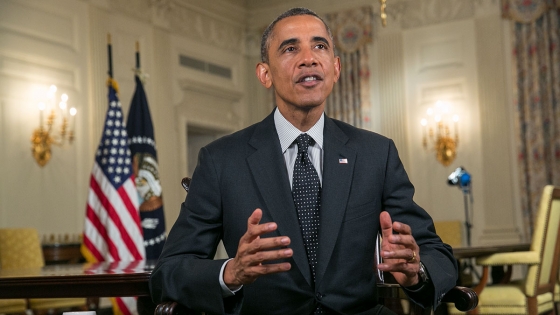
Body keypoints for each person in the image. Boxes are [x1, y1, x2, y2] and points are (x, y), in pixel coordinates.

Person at [150, 7, 457, 315]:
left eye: (320, 46)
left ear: (335, 68)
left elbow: (436, 253)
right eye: (291, 48)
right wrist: (231, 271)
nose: (309, 58)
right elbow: (169, 271)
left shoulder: (376, 153)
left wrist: (416, 272)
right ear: (265, 73)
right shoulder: (221, 161)